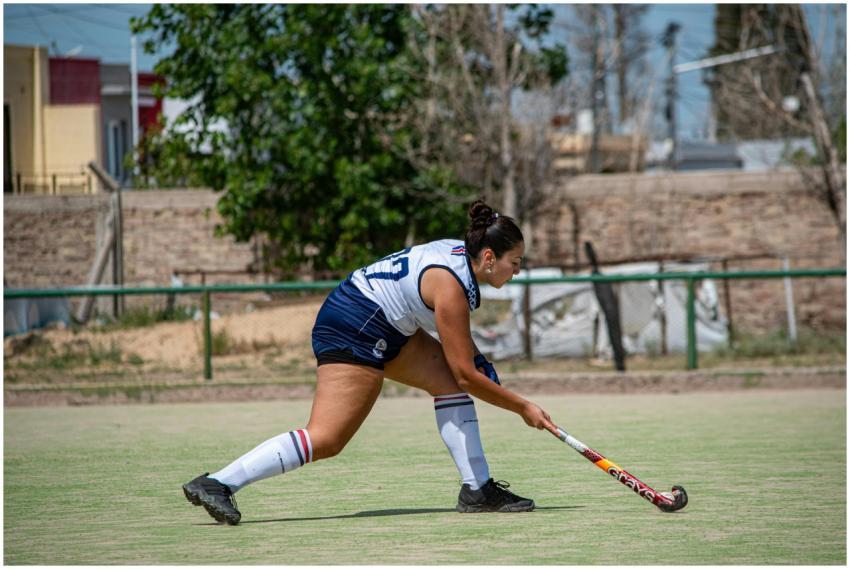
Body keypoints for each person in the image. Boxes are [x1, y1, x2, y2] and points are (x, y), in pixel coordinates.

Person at [182, 200, 558, 525]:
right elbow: (467, 374)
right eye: (515, 262)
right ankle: (219, 482)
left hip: (385, 322)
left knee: (446, 383)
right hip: (354, 326)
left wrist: (480, 364)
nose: (517, 271)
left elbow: (462, 359)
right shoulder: (451, 287)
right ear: (489, 258)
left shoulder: (459, 255)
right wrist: (522, 407)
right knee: (328, 438)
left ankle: (477, 490)